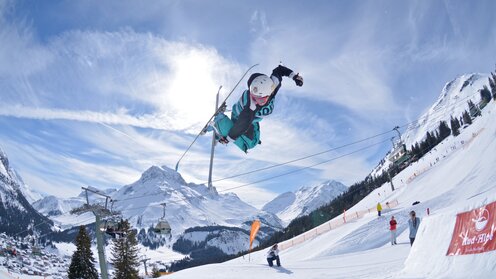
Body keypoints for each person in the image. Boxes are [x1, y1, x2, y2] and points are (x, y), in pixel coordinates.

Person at [211, 65, 304, 153]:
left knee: (255, 140)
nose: (256, 101)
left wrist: (294, 76)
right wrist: (228, 139)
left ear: (269, 92)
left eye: (260, 99)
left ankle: (221, 130)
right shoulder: (251, 106)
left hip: (253, 121)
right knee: (249, 143)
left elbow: (279, 70)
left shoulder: (273, 85)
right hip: (240, 117)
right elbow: (242, 125)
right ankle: (219, 121)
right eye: (253, 97)